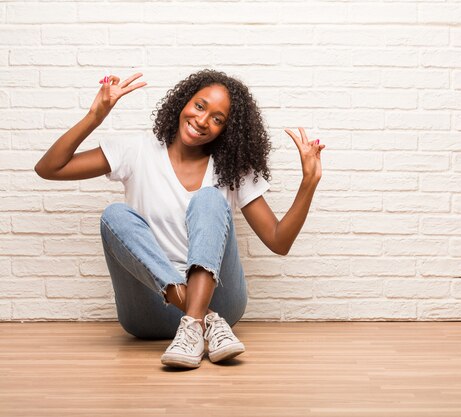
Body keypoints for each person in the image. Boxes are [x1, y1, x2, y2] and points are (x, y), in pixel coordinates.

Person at [34, 69, 325, 369]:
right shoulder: (136, 150)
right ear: (183, 102)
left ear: (228, 129)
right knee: (114, 215)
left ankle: (195, 322)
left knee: (209, 197)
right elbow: (50, 168)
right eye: (200, 106)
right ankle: (204, 319)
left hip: (223, 300)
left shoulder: (231, 168)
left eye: (217, 119)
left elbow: (278, 241)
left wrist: (308, 183)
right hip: (149, 310)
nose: (202, 121)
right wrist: (95, 116)